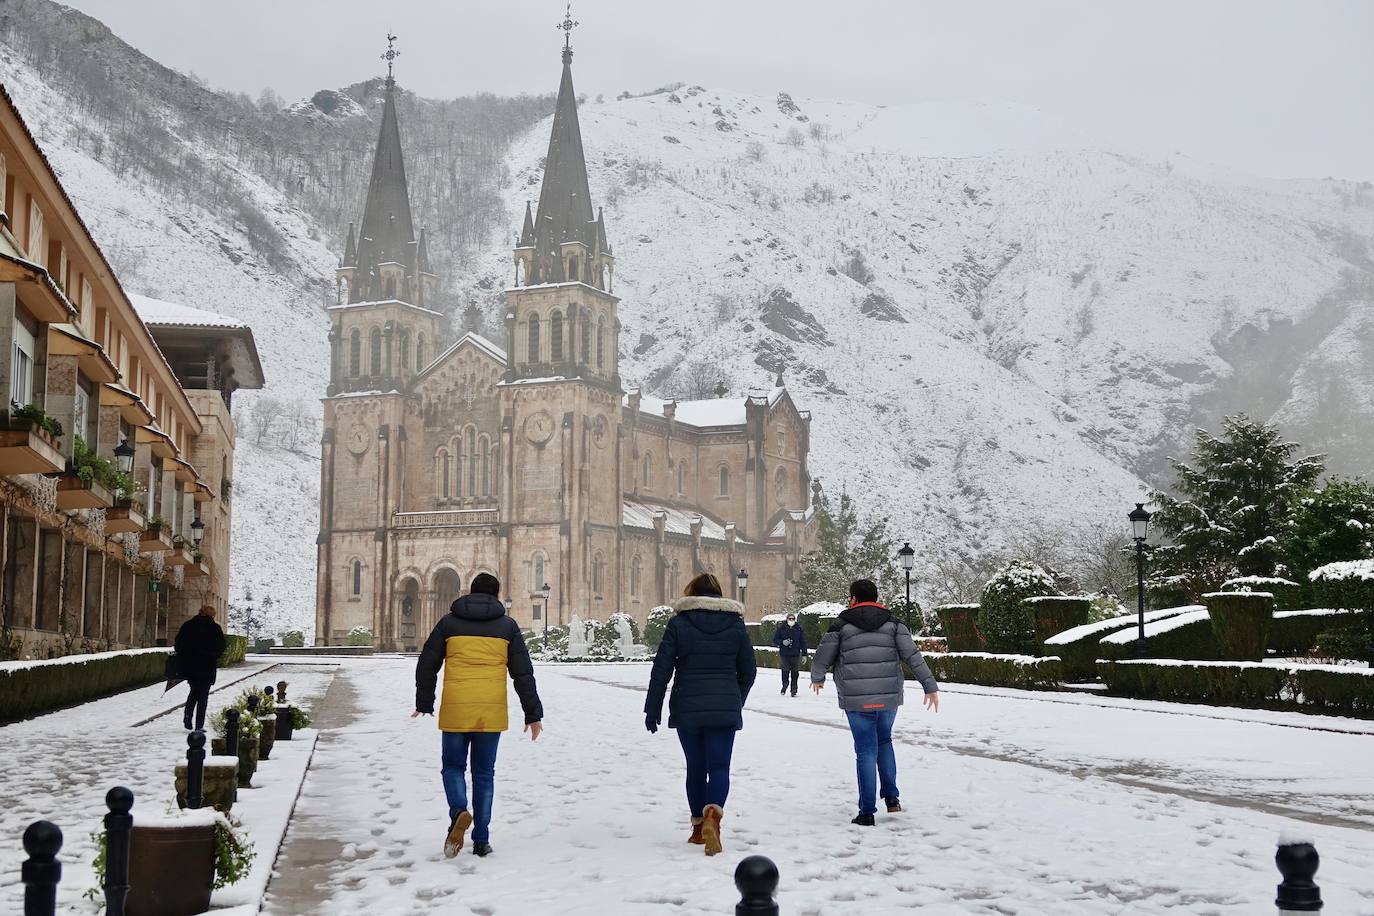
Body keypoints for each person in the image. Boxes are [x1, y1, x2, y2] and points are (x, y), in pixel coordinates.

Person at [414, 573, 543, 860]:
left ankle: (460, 811)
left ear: (470, 593)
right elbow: (523, 673)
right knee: (484, 775)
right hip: (490, 709)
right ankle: (481, 840)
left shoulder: (448, 623)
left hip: (456, 707)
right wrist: (532, 714)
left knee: (452, 767)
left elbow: (427, 663)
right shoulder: (508, 626)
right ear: (497, 596)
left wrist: (424, 701)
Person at [645, 572, 757, 856]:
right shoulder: (736, 625)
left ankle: (697, 829)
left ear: (692, 593)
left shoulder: (679, 623)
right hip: (724, 709)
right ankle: (713, 818)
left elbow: (662, 668)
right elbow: (749, 670)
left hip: (688, 706)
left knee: (696, 767)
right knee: (719, 767)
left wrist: (653, 706)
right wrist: (735, 699)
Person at [810, 579, 939, 826]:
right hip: (888, 697)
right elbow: (912, 656)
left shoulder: (841, 624)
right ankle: (892, 799)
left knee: (865, 750)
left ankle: (867, 812)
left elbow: (822, 656)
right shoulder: (893, 623)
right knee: (884, 741)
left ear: (853, 599)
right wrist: (929, 686)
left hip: (856, 698)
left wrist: (818, 678)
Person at [174, 605, 227, 731]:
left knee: (194, 692)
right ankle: (199, 725)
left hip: (190, 666)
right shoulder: (214, 628)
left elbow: (178, 644)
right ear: (212, 615)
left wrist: (186, 657)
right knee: (203, 696)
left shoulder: (188, 625)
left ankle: (188, 716)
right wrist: (212, 655)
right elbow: (221, 646)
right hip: (207, 666)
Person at [771, 612, 808, 696]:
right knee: (785, 670)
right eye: (790, 619)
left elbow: (803, 642)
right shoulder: (781, 628)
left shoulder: (798, 629)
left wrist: (804, 654)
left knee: (795, 672)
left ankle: (794, 689)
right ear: (787, 619)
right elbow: (775, 640)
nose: (791, 620)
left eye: (793, 619)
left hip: (795, 653)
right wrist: (782, 642)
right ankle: (785, 685)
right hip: (785, 653)